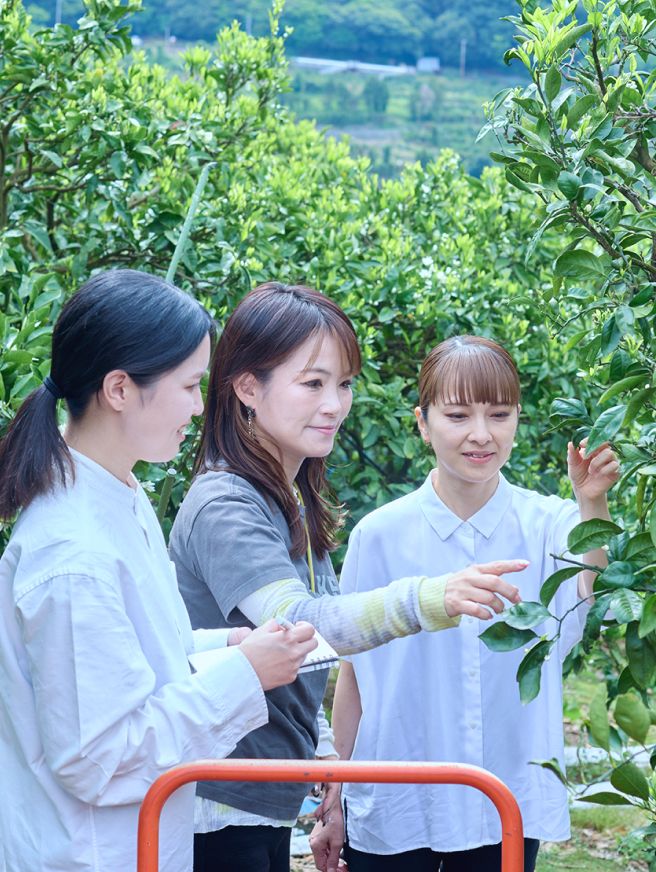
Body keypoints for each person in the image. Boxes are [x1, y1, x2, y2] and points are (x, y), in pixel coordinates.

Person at [168, 284, 529, 872]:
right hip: (218, 798)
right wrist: (431, 596)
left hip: (259, 794)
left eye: (343, 384)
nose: (334, 404)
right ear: (247, 387)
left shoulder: (291, 498)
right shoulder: (225, 504)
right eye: (312, 383)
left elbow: (301, 665)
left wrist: (326, 757)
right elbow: (301, 625)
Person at [0, 270, 319, 872]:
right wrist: (244, 676)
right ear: (119, 388)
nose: (201, 407)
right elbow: (101, 756)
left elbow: (133, 657)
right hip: (92, 855)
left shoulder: (118, 493)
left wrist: (227, 647)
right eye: (190, 385)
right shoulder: (73, 555)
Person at [328, 335, 620, 872]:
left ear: (517, 420)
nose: (480, 435)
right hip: (397, 802)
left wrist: (592, 500)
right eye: (458, 415)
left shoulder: (551, 524)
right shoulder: (380, 535)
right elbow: (355, 672)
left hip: (504, 800)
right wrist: (333, 795)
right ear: (423, 422)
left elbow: (597, 592)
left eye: (499, 414)